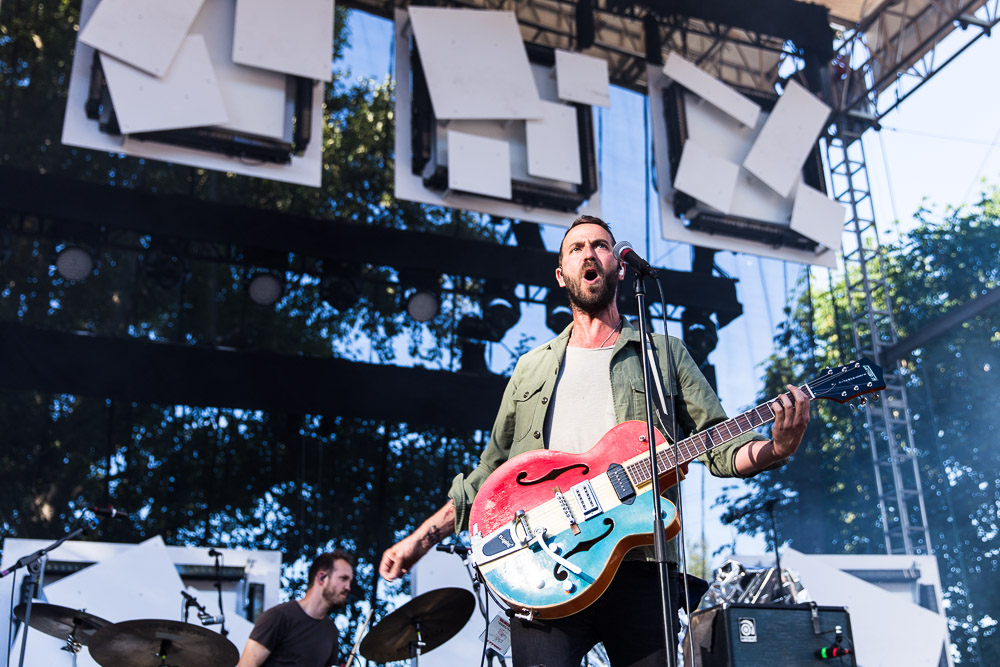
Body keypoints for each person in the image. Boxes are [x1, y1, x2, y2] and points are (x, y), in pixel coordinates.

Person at [379, 216, 811, 666]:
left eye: (601, 245)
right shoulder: (531, 368)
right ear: (561, 273)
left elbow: (717, 447)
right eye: (577, 247)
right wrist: (420, 539)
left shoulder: (663, 353)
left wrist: (776, 447)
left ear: (619, 268)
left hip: (642, 566)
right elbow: (490, 477)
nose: (589, 253)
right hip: (545, 566)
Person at [238, 550, 354, 667]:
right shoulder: (278, 617)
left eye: (350, 581)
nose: (348, 587)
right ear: (321, 578)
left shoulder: (331, 632)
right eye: (343, 579)